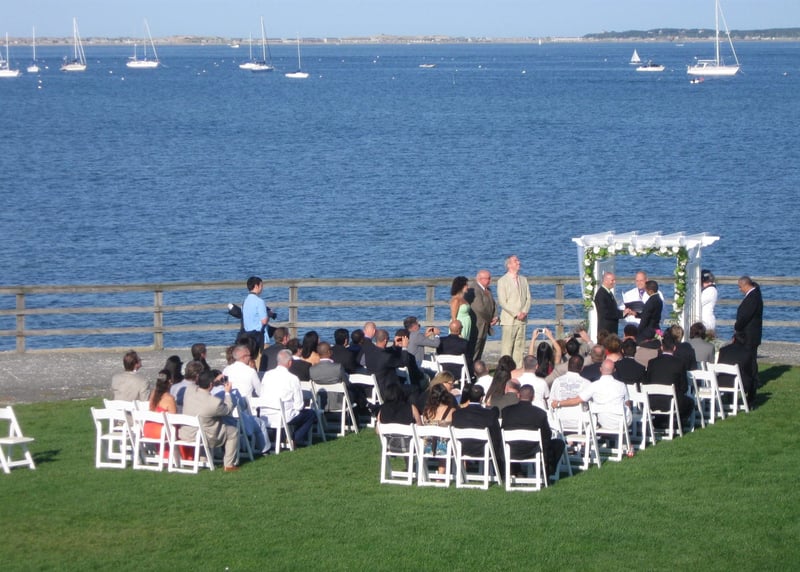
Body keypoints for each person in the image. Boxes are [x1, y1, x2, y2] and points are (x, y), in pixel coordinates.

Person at [181, 371, 239, 471]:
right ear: (211, 384)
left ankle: (203, 459)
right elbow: (228, 410)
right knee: (233, 431)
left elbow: (196, 385)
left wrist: (214, 382)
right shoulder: (214, 402)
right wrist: (227, 392)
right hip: (205, 436)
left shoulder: (189, 391)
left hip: (187, 433)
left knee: (205, 425)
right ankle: (229, 465)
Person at [502, 384, 564, 478]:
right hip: (533, 450)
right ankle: (546, 470)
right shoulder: (540, 413)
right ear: (533, 397)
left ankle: (516, 471)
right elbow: (547, 435)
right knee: (559, 443)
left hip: (511, 449)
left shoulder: (506, 411)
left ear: (518, 395)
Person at [553, 360, 632, 430]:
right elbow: (627, 404)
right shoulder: (622, 385)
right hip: (623, 422)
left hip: (604, 422)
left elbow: (577, 400)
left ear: (600, 369)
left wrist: (559, 403)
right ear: (614, 370)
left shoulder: (594, 385)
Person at [260, 350, 317, 447]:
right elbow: (299, 405)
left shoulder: (267, 375)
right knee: (311, 414)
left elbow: (262, 393)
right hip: (284, 416)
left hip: (265, 414)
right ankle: (294, 439)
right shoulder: (293, 378)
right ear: (290, 362)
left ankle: (284, 437)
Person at [451, 384, 504, 475]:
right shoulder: (490, 414)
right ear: (481, 398)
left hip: (461, 448)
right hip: (483, 449)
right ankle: (501, 473)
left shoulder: (457, 414)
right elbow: (497, 435)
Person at [643, 333, 694, 423]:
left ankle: (662, 422)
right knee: (690, 402)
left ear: (661, 347)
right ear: (674, 348)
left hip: (652, 402)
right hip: (672, 402)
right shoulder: (679, 363)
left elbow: (647, 382)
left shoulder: (652, 362)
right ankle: (678, 423)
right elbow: (684, 387)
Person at [497, 255, 531, 366]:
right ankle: (505, 369)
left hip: (522, 320)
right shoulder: (502, 281)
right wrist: (516, 313)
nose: (518, 263)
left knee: (520, 347)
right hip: (509, 320)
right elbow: (503, 302)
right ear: (509, 265)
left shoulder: (523, 279)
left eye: (518, 260)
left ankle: (518, 369)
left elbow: (528, 298)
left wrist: (524, 311)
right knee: (507, 347)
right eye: (516, 261)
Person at [734, 276, 763, 390]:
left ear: (745, 285)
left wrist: (737, 326)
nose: (740, 289)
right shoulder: (755, 295)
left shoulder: (752, 298)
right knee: (751, 358)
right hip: (751, 333)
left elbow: (746, 316)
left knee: (750, 358)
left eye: (740, 287)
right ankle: (752, 379)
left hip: (749, 334)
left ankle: (753, 381)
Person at [549, 355, 591, 431]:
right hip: (581, 423)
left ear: (568, 366)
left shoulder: (557, 381)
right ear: (582, 368)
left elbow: (551, 401)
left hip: (560, 422)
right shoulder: (587, 383)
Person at [467, 269, 498, 362]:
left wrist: (495, 316)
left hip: (485, 325)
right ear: (480, 279)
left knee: (480, 348)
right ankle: (471, 367)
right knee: (474, 348)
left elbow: (493, 304)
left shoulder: (487, 290)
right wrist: (489, 319)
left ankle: (477, 366)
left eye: (490, 278)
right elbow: (479, 308)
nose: (490, 281)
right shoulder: (474, 289)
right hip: (477, 324)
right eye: (487, 278)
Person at [717, 332, 757, 405]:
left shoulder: (723, 350)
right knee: (753, 378)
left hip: (721, 382)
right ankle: (750, 401)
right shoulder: (748, 352)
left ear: (733, 339)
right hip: (739, 383)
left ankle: (730, 399)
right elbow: (753, 371)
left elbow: (719, 366)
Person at [143, 371, 178, 442]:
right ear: (170, 381)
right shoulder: (169, 398)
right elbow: (173, 420)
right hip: (160, 432)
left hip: (147, 429)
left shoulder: (153, 393)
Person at [241, 276, 269, 360]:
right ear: (256, 286)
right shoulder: (259, 301)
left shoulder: (245, 302)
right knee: (261, 362)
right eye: (261, 286)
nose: (262, 288)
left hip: (248, 338)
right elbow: (264, 321)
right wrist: (269, 315)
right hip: (260, 338)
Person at [594, 272, 626, 336]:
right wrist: (622, 313)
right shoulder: (601, 294)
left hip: (611, 328)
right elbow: (606, 313)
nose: (614, 282)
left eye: (614, 280)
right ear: (606, 280)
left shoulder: (608, 292)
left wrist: (624, 312)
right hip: (606, 330)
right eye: (612, 280)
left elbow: (612, 309)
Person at [449, 276, 472, 342]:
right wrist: (458, 331)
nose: (468, 287)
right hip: (460, 324)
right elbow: (453, 317)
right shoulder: (456, 300)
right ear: (461, 286)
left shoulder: (463, 299)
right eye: (466, 285)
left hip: (466, 324)